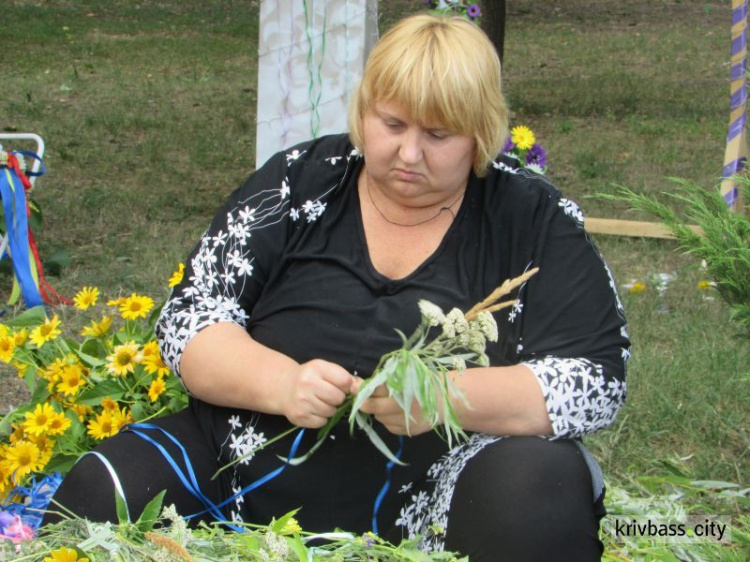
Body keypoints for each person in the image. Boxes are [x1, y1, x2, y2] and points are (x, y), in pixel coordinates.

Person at [44, 13, 629, 561]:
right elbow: (189, 321)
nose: (407, 153)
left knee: (538, 497)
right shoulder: (299, 184)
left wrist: (446, 399)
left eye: (438, 134)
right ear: (363, 109)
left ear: (481, 135)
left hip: (442, 492)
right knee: (102, 490)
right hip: (242, 468)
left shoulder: (529, 218)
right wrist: (282, 384)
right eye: (392, 124)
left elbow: (596, 379)